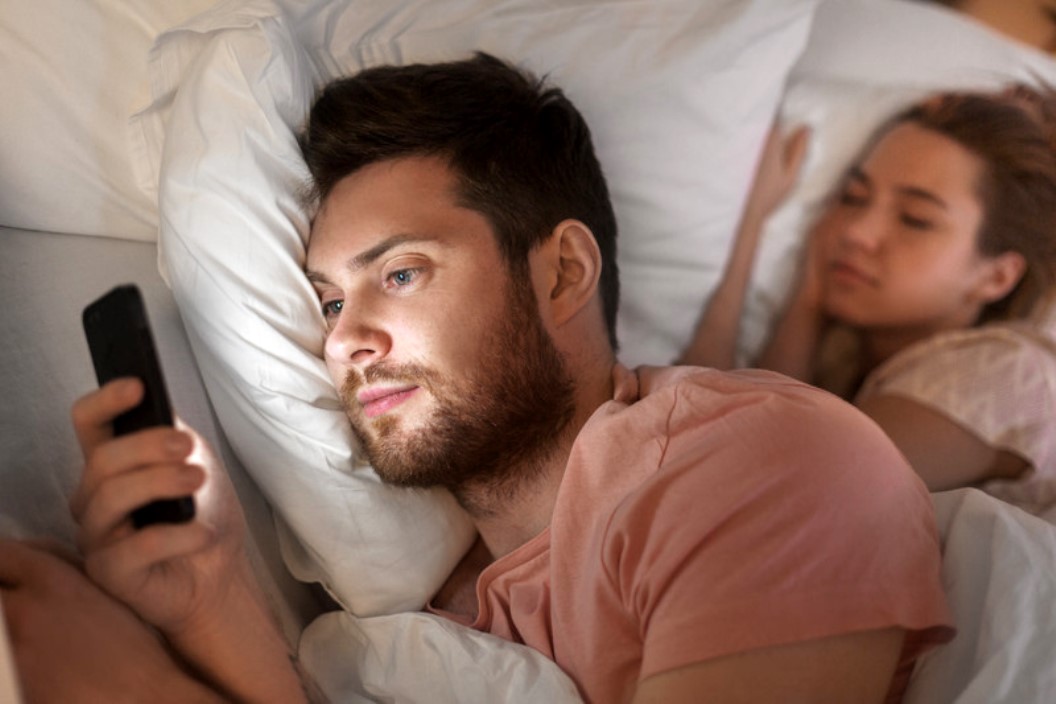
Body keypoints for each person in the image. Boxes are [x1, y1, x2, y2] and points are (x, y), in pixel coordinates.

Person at [2, 53, 953, 703]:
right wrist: (208, 598)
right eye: (330, 302)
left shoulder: (752, 465)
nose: (345, 344)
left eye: (401, 273)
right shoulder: (435, 603)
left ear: (562, 273)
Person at [679, 85, 1056, 515]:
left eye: (915, 219)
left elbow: (740, 489)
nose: (856, 231)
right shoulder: (849, 363)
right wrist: (810, 297)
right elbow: (758, 428)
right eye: (853, 198)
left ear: (996, 276)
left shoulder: (1008, 374)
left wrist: (747, 229)